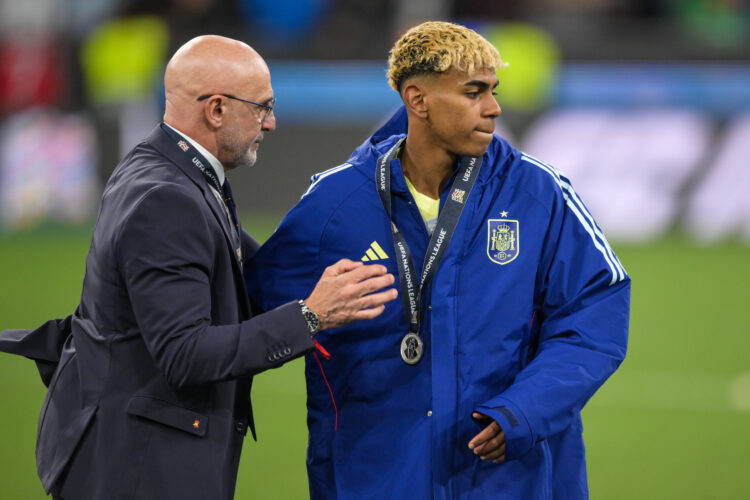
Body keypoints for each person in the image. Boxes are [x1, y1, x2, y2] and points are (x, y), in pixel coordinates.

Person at [0, 35, 397, 500]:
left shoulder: (167, 167)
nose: (271, 123)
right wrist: (311, 316)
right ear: (217, 110)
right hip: (138, 470)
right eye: (263, 107)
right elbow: (185, 354)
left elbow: (255, 272)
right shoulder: (168, 199)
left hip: (132, 451)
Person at [245, 21, 630, 499]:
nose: (494, 107)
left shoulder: (538, 193)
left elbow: (596, 317)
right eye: (473, 92)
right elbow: (249, 312)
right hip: (376, 481)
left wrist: (524, 411)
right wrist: (310, 315)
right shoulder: (335, 203)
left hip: (509, 480)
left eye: (492, 91)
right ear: (418, 100)